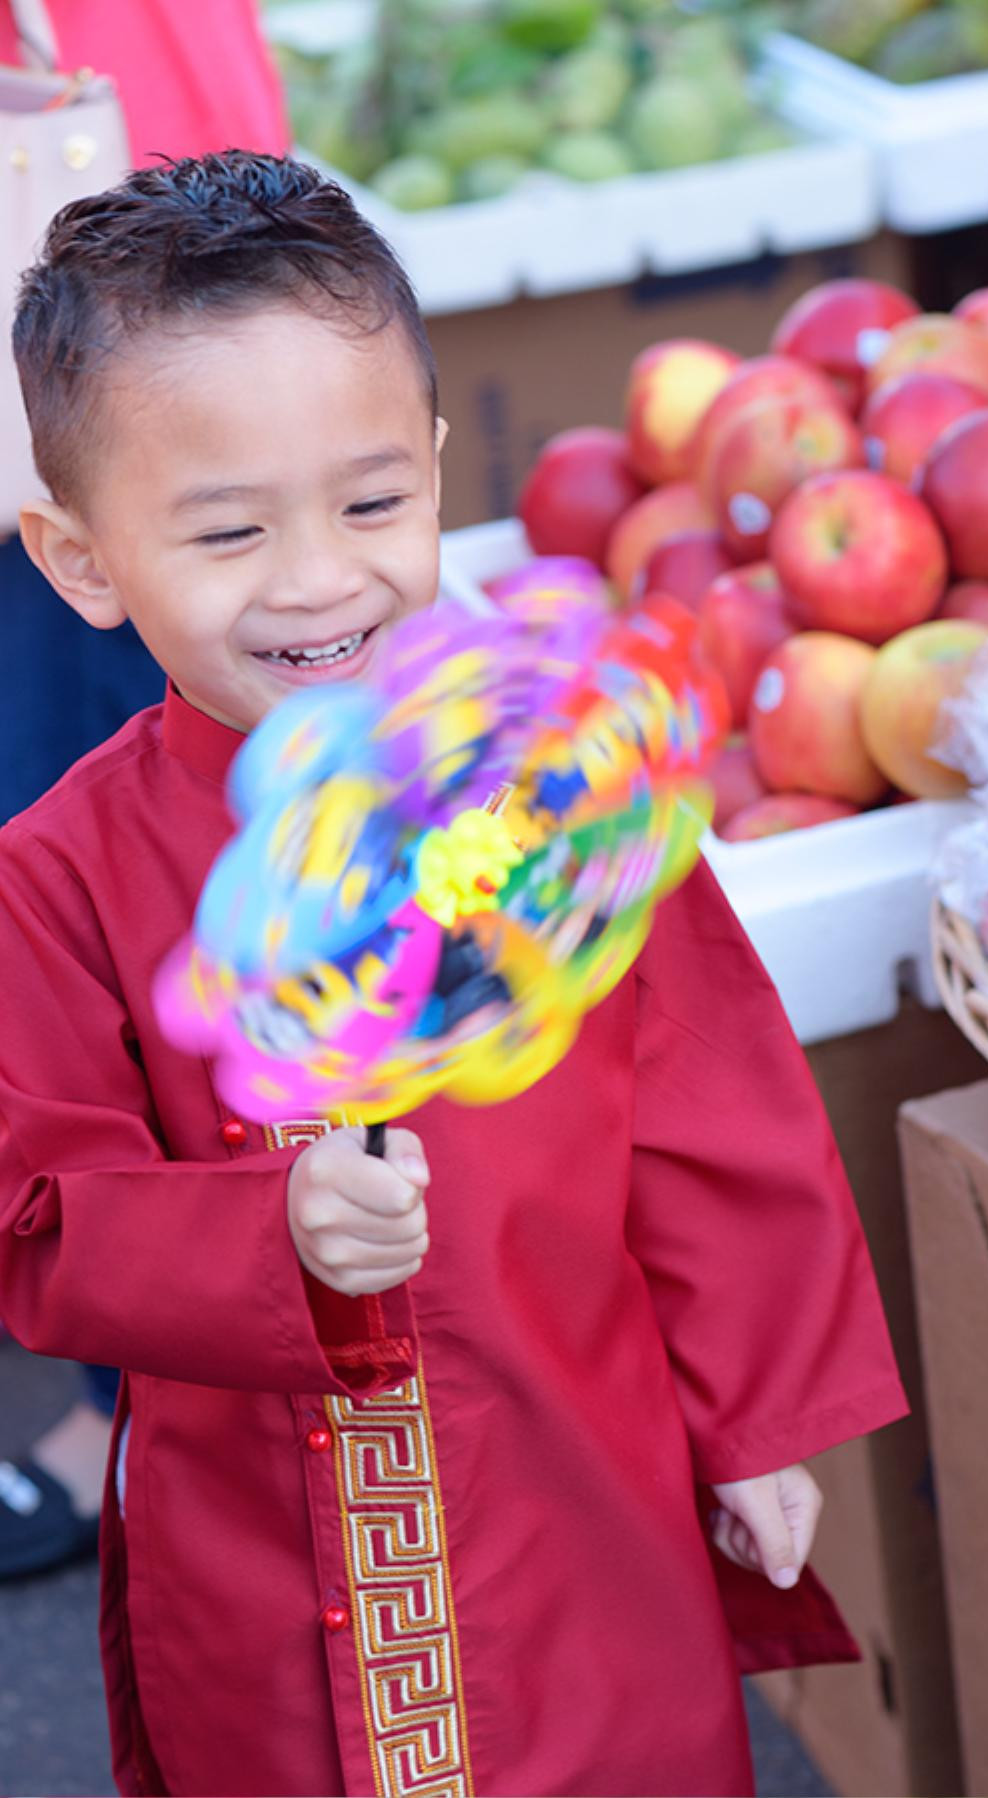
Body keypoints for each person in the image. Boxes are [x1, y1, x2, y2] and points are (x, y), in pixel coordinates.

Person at [0, 152, 906, 1798]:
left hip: (582, 1490)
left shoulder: (550, 782)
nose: (316, 579)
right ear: (80, 558)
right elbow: (40, 1212)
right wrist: (261, 1233)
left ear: (432, 469)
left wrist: (760, 1413)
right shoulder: (58, 876)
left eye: (369, 503)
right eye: (225, 530)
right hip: (254, 1570)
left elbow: (710, 1101)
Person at [0, 0, 290, 1578]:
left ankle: (178, 1392)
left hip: (142, 227)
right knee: (124, 872)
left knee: (175, 854)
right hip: (111, 234)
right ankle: (167, 1383)